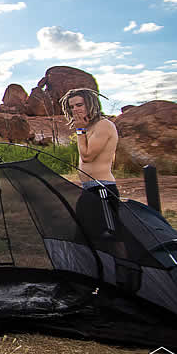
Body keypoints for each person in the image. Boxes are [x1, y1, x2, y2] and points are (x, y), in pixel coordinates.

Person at [61, 88, 123, 244]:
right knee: (83, 236)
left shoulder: (103, 125)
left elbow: (87, 156)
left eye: (79, 105)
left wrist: (80, 130)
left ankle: (122, 268)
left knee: (108, 237)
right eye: (71, 107)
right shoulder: (87, 129)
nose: (75, 109)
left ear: (91, 104)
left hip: (102, 189)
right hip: (88, 188)